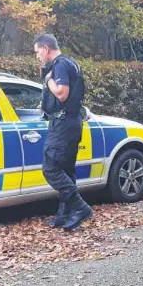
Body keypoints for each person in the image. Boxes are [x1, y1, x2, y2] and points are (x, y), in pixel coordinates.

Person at [33, 33, 92, 231]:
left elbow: (62, 93)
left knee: (50, 169)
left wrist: (49, 80)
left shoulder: (59, 66)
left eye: (38, 52)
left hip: (63, 125)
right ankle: (65, 215)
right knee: (66, 170)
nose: (38, 56)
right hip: (71, 122)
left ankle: (80, 207)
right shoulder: (70, 63)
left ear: (46, 48)